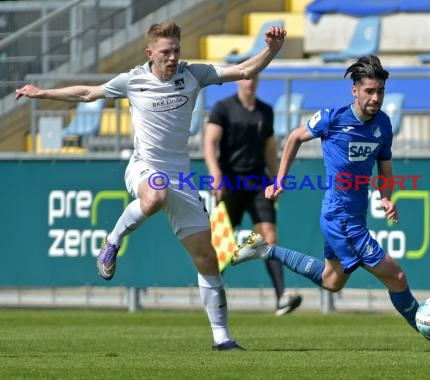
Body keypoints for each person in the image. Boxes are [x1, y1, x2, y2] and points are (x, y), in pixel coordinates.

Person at [16, 20, 287, 351]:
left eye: (176, 50)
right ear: (150, 53)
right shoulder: (133, 80)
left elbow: (244, 70)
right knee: (155, 194)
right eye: (165, 52)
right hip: (144, 168)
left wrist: (271, 50)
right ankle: (112, 241)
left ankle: (222, 337)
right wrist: (43, 93)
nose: (172, 57)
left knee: (207, 258)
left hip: (181, 177)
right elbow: (87, 92)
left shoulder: (193, 75)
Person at [231, 55, 430, 352]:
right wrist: (280, 180)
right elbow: (295, 137)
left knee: (332, 281)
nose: (376, 97)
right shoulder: (333, 118)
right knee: (396, 276)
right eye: (369, 91)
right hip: (340, 215)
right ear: (355, 91)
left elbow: (384, 165)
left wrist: (387, 197)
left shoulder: (383, 124)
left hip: (352, 215)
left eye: (380, 91)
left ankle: (265, 249)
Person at [203, 74, 303, 316]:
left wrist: (276, 178)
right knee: (221, 243)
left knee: (269, 237)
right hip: (230, 181)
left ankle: (281, 297)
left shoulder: (265, 111)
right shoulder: (223, 108)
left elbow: (270, 148)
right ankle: (212, 297)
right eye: (246, 77)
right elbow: (209, 142)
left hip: (258, 182)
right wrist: (215, 173)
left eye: (254, 78)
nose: (250, 81)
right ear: (238, 80)